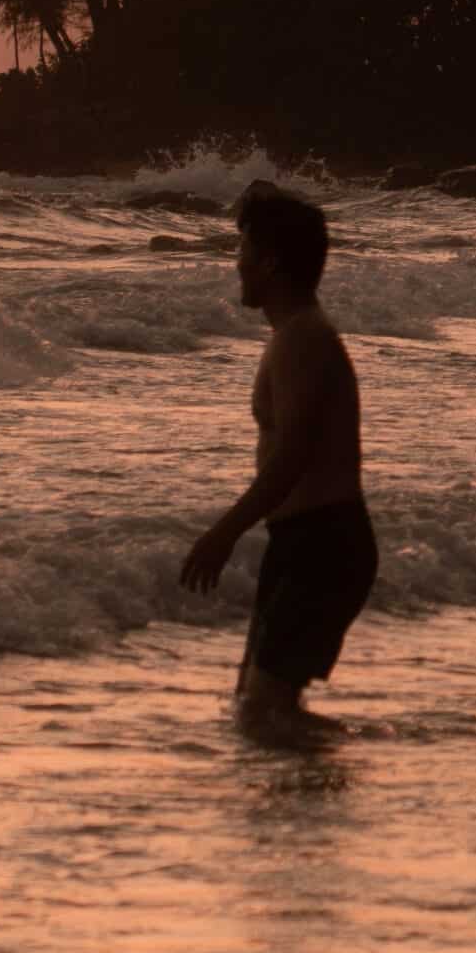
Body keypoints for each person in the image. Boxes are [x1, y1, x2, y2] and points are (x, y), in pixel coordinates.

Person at [179, 184, 377, 738]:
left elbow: (292, 457)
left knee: (267, 711)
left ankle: (372, 766)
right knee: (252, 706)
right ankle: (293, 806)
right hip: (301, 541)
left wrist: (223, 533)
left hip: (325, 545)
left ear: (269, 262)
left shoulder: (303, 341)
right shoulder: (294, 336)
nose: (236, 265)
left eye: (241, 252)